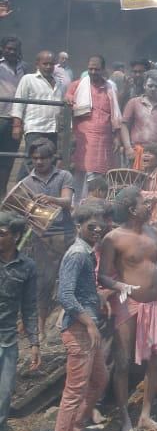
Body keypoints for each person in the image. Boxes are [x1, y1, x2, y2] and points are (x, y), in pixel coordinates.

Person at [38, 203, 107, 431]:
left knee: (100, 379)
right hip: (79, 330)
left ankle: (75, 428)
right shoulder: (78, 254)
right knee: (74, 392)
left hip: (88, 328)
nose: (97, 230)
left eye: (100, 225)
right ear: (79, 226)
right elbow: (64, 295)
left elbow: (79, 290)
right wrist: (89, 322)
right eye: (92, 225)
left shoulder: (88, 252)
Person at [97, 188, 157, 431]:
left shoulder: (154, 232)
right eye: (144, 203)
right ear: (131, 209)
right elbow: (103, 274)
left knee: (156, 358)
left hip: (153, 305)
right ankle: (124, 418)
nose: (149, 206)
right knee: (123, 361)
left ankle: (146, 415)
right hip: (128, 305)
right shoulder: (113, 238)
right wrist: (119, 286)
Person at [19, 140, 74, 339]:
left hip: (65, 233)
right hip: (41, 237)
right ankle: (40, 327)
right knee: (43, 282)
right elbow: (24, 212)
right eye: (35, 158)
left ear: (52, 158)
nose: (39, 161)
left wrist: (51, 199)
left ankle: (68, 326)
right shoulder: (26, 182)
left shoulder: (64, 176)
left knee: (69, 279)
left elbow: (67, 202)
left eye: (43, 158)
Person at [0, 211, 39, 431]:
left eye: (2, 234)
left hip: (7, 342)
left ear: (15, 236)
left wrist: (35, 342)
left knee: (3, 398)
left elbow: (29, 306)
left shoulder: (27, 267)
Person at [66, 55, 124, 201]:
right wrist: (68, 98)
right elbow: (67, 97)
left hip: (104, 138)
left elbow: (115, 113)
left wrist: (117, 137)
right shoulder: (77, 85)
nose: (93, 72)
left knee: (98, 174)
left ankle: (93, 205)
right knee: (79, 172)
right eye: (90, 68)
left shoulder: (109, 88)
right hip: (82, 138)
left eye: (96, 69)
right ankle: (76, 205)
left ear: (103, 70)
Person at [10, 49, 62, 157]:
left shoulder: (59, 82)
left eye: (51, 64)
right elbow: (18, 103)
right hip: (35, 128)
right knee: (32, 161)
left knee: (49, 162)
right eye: (45, 64)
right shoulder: (28, 79)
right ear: (37, 64)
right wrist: (17, 126)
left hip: (53, 129)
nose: (48, 67)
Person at [121, 69, 157, 168]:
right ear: (144, 86)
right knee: (134, 181)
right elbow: (124, 125)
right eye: (150, 86)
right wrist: (127, 147)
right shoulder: (134, 103)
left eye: (156, 86)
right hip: (137, 151)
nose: (153, 89)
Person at [0, 36, 26, 196]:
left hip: (14, 119)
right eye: (8, 48)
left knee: (8, 161)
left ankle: (2, 194)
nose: (11, 51)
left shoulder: (24, 68)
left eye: (14, 49)